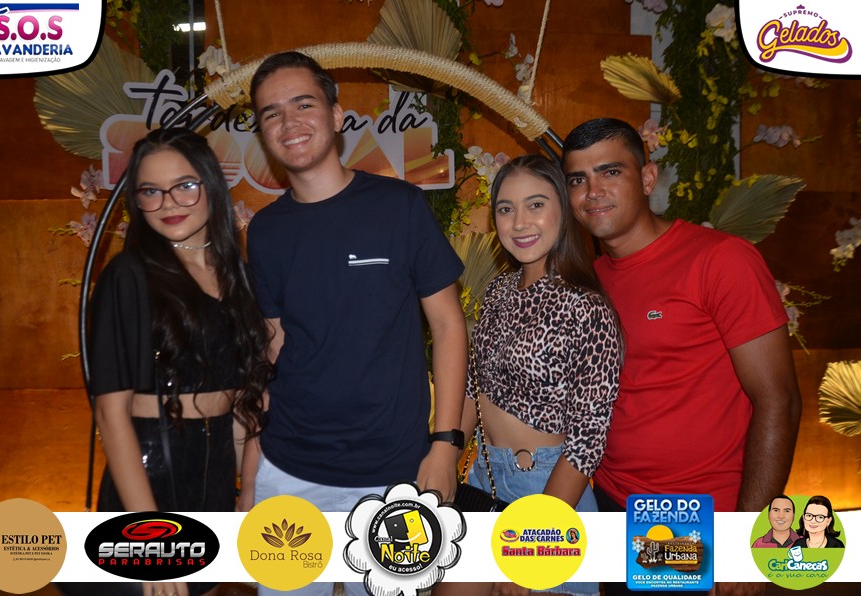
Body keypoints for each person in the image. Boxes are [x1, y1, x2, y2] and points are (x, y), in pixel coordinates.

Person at [245, 51, 468, 596]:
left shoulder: (400, 207)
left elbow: (448, 327)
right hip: (291, 469)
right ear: (263, 133)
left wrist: (445, 445)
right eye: (272, 113)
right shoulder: (266, 232)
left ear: (336, 114)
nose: (289, 122)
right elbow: (273, 348)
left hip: (395, 472)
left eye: (303, 104)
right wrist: (250, 474)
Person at [561, 118, 803, 596]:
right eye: (577, 179)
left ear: (648, 179)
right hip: (607, 500)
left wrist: (747, 540)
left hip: (694, 515)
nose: (593, 192)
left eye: (610, 172)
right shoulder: (590, 279)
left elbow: (780, 400)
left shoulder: (720, 260)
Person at [87, 128, 271, 596]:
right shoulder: (128, 275)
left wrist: (246, 492)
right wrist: (147, 536)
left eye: (185, 185)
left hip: (215, 473)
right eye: (150, 191)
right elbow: (110, 414)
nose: (168, 202)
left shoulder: (238, 275)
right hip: (150, 474)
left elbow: (242, 400)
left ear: (211, 185)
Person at [439, 155, 622, 596]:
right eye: (506, 208)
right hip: (484, 475)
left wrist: (536, 541)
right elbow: (474, 385)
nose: (519, 222)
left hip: (548, 490)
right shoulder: (499, 291)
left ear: (563, 209)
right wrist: (444, 455)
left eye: (535, 204)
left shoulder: (587, 308)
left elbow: (588, 441)